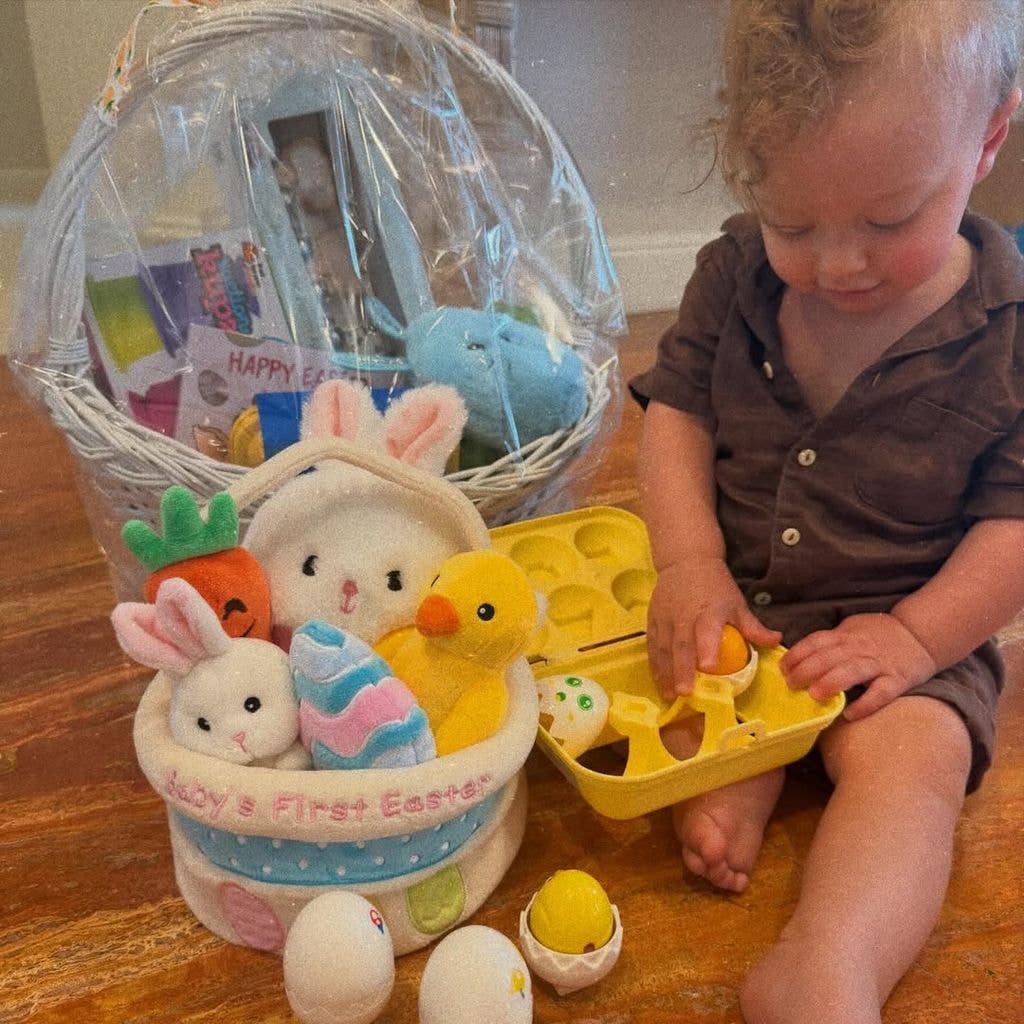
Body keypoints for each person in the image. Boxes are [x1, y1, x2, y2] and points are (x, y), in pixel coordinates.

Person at [629, 2, 1024, 1021]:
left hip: (905, 634)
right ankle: (751, 757)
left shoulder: (1008, 333)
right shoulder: (733, 273)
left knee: (914, 773)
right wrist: (687, 565)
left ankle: (830, 961)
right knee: (671, 691)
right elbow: (672, 415)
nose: (836, 263)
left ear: (986, 140)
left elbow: (1014, 530)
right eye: (792, 223)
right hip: (740, 614)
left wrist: (911, 636)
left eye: (887, 221)